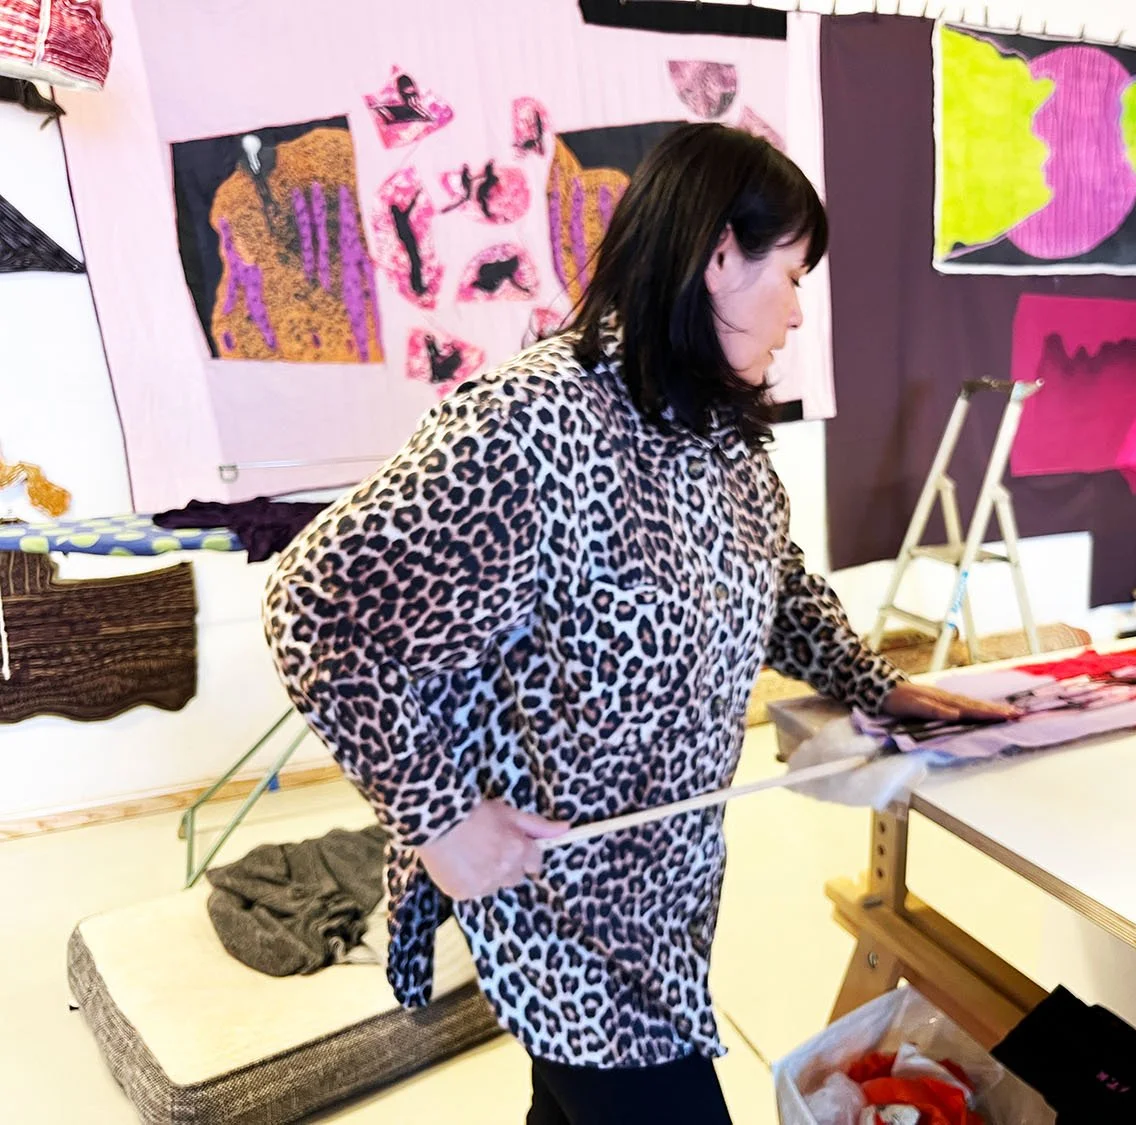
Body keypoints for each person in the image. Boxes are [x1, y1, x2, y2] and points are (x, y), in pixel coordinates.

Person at [262, 123, 1010, 1124]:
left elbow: (775, 582)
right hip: (563, 908)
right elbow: (315, 605)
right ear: (718, 257)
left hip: (665, 890)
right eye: (792, 275)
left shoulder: (712, 430)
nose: (797, 312)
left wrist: (879, 685)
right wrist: (439, 818)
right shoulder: (535, 421)